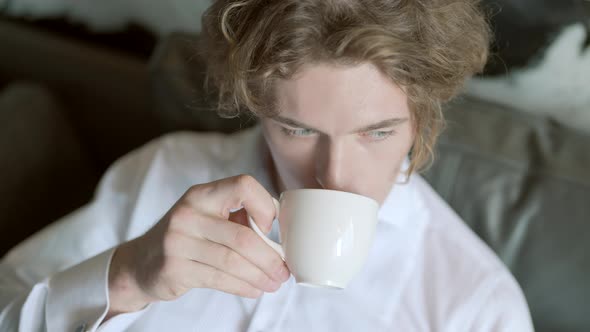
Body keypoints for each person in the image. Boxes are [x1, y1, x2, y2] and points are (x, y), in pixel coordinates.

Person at [0, 0, 535, 331]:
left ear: (423, 118)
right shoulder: (161, 175)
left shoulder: (478, 308)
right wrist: (125, 278)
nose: (334, 177)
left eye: (377, 132)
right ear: (256, 103)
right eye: (298, 129)